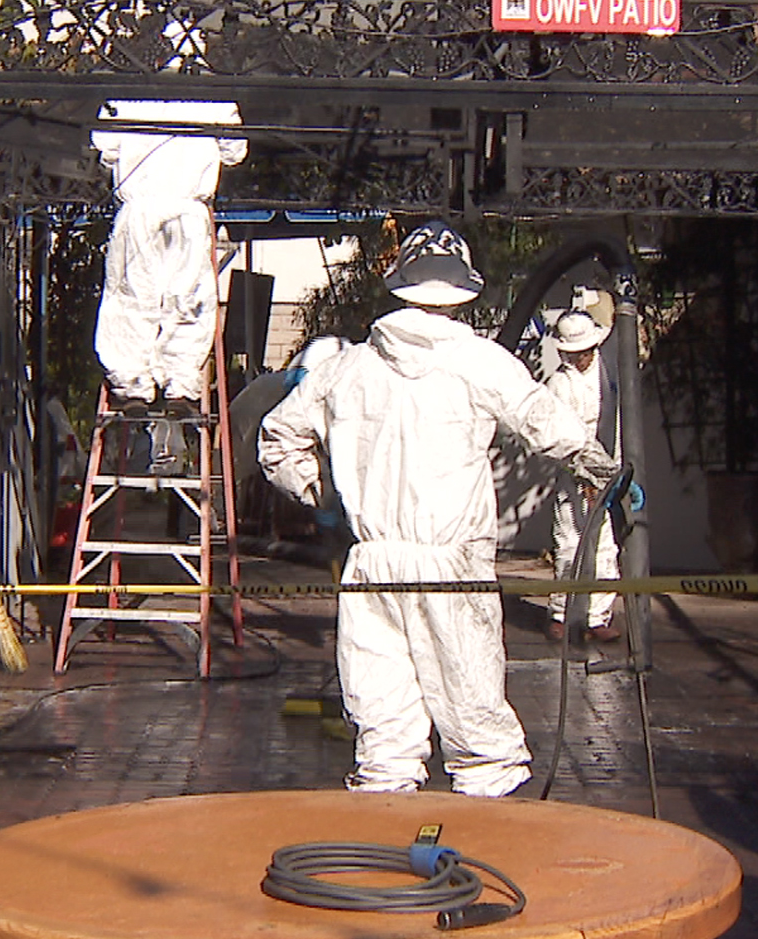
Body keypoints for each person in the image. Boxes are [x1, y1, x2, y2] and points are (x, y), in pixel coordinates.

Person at [257, 221, 618, 797]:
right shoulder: (480, 362)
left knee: (384, 728)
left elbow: (277, 437)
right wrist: (598, 467)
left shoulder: (345, 368)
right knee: (476, 721)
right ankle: (485, 844)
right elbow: (542, 420)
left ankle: (382, 843)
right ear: (462, 291)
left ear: (399, 285)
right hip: (451, 569)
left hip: (372, 569)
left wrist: (316, 491)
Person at [90, 98, 246, 420]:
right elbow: (235, 152)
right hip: (188, 209)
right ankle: (180, 385)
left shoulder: (125, 99)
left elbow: (105, 148)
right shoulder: (216, 101)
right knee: (188, 298)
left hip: (141, 209)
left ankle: (132, 384)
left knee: (131, 297)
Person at [544, 310, 622, 642]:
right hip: (573, 474)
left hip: (609, 469)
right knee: (569, 543)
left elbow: (616, 426)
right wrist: (583, 475)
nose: (580, 358)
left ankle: (597, 616)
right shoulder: (558, 384)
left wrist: (614, 474)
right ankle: (563, 612)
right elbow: (559, 436)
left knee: (605, 547)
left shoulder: (608, 374)